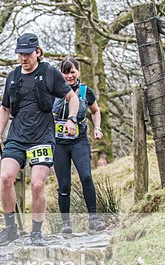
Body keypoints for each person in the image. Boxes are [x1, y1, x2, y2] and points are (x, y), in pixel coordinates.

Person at [0, 33, 80, 247]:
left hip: (42, 137)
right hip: (17, 137)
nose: (23, 58)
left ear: (37, 52)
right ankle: (10, 229)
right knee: (6, 178)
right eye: (20, 54)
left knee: (38, 185)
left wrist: (72, 119)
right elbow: (4, 108)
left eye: (27, 54)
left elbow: (72, 98)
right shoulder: (13, 76)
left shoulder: (49, 72)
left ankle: (36, 232)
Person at [52, 58, 106, 233]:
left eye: (72, 72)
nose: (69, 76)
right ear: (60, 74)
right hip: (59, 143)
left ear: (78, 72)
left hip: (79, 140)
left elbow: (95, 110)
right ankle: (66, 223)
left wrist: (97, 127)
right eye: (65, 72)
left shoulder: (85, 91)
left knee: (86, 177)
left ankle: (94, 219)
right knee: (64, 184)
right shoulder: (54, 91)